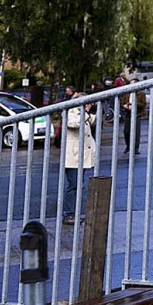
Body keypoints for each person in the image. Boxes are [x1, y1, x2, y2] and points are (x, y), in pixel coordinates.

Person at [62, 93, 96, 224]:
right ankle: (68, 214)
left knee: (78, 185)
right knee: (74, 185)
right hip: (73, 157)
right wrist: (85, 113)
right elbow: (73, 124)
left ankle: (73, 213)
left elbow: (94, 120)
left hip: (81, 157)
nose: (89, 105)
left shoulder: (82, 113)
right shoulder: (70, 111)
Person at [121, 79, 144, 155]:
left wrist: (134, 104)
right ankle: (128, 146)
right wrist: (125, 106)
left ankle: (135, 148)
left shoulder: (141, 94)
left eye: (133, 84)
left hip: (137, 114)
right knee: (126, 131)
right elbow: (123, 103)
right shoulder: (126, 93)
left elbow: (143, 104)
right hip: (128, 114)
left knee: (136, 132)